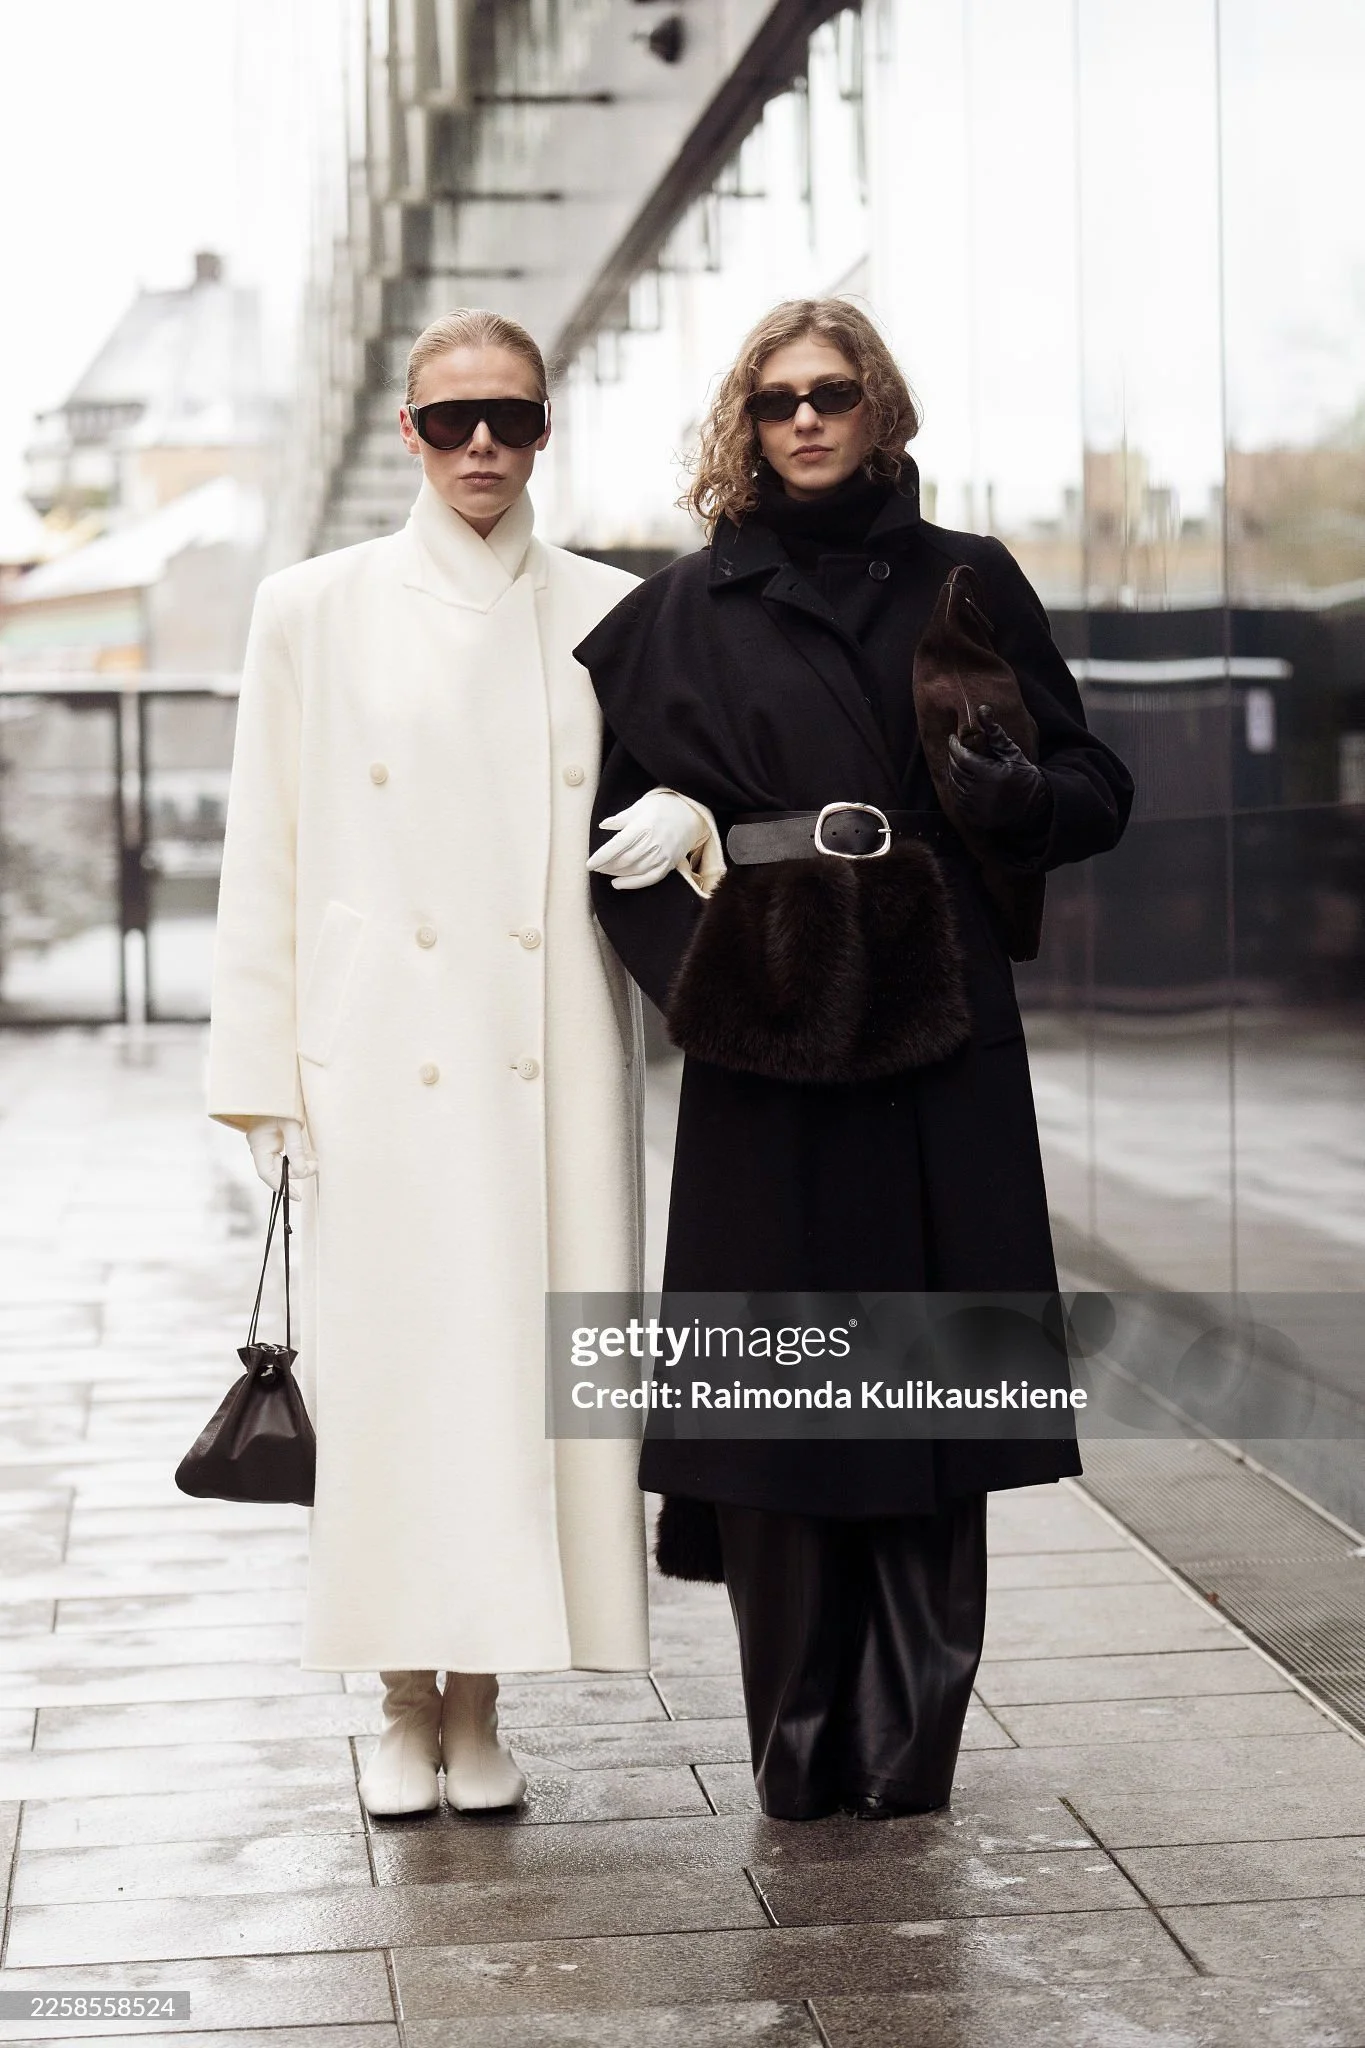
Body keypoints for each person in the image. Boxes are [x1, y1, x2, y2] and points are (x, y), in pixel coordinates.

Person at [575, 298, 1134, 1822]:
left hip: (941, 1012)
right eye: (775, 402)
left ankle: (910, 1748)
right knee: (778, 1388)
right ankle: (797, 1740)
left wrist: (1015, 795)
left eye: (832, 394)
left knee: (933, 1377)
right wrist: (715, 971)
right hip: (772, 1035)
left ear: (880, 407)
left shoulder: (971, 580)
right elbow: (598, 852)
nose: (805, 421)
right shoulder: (679, 611)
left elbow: (1098, 788)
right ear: (742, 427)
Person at [207, 307, 714, 1818]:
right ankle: (399, 1698)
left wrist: (691, 812)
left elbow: (715, 770)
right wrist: (263, 1076)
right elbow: (266, 851)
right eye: (450, 422)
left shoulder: (620, 610)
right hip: (376, 1063)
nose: (481, 446)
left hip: (548, 1055)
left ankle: (483, 1697)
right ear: (411, 436)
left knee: (527, 1376)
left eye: (510, 418)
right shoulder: (313, 607)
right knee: (396, 1381)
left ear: (547, 428)